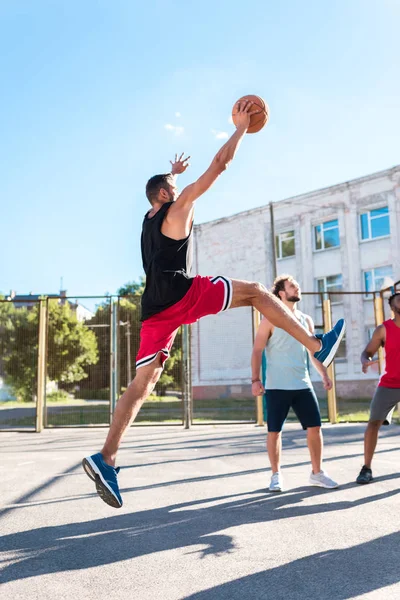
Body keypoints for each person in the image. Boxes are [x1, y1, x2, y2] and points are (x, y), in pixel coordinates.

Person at [82, 100, 346, 508]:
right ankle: (318, 347)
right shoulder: (179, 205)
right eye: (174, 188)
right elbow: (219, 166)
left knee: (143, 384)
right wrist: (241, 128)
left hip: (153, 307)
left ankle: (106, 457)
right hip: (181, 293)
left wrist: (171, 172)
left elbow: (158, 190)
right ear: (168, 194)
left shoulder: (148, 220)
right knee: (259, 291)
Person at [251, 274, 339, 492]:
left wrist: (324, 375)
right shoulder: (269, 318)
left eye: (297, 285)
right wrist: (255, 379)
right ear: (282, 293)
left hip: (303, 384)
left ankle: (317, 473)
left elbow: (313, 352)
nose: (297, 288)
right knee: (274, 431)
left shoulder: (306, 320)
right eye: (292, 286)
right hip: (276, 385)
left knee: (315, 427)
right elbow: (257, 350)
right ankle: (276, 475)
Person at [356, 291, 400, 484]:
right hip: (389, 384)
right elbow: (367, 352)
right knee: (373, 423)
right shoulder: (383, 329)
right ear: (393, 306)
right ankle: (366, 468)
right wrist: (366, 361)